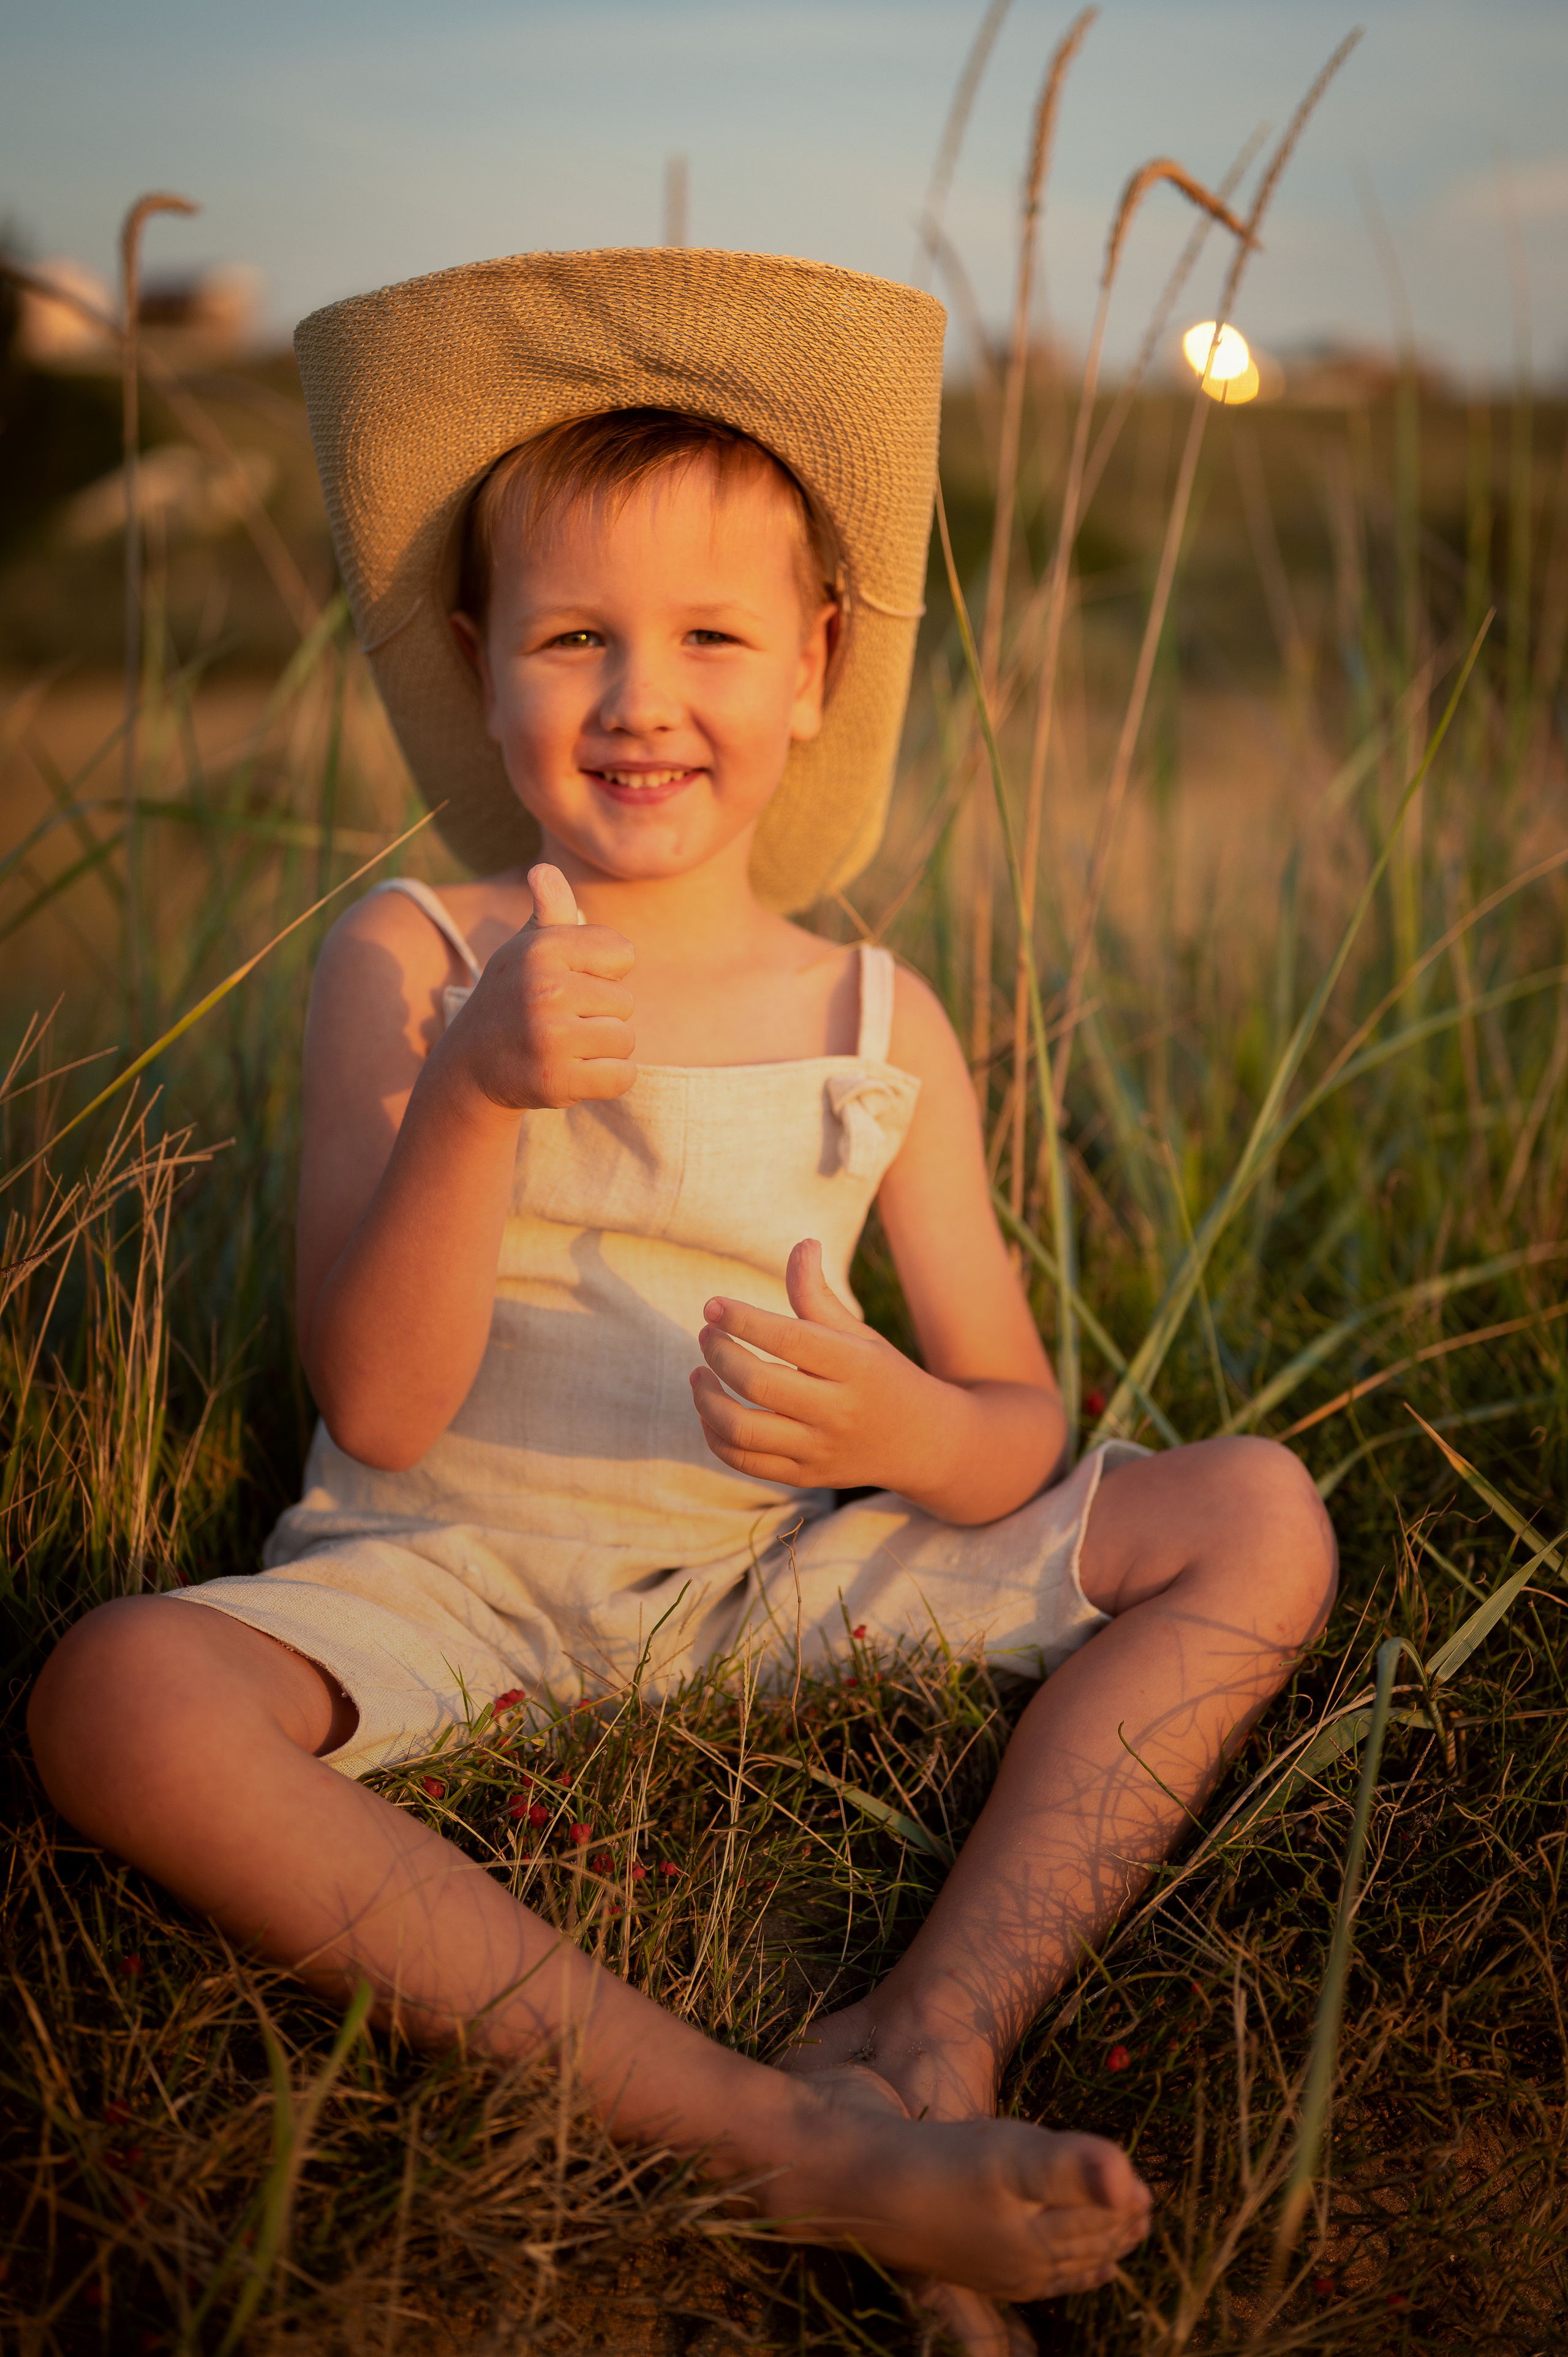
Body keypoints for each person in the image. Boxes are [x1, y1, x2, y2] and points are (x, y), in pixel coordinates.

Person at [28, 249, 1336, 2355]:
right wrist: (476, 1093)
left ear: (816, 667)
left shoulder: (870, 1009)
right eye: (574, 636)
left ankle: (932, 2035)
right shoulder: (415, 958)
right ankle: (768, 2136)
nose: (645, 696)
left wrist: (907, 1436)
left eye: (714, 636)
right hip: (445, 1579)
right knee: (118, 1695)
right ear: (477, 664)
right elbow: (368, 1401)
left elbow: (1016, 1411)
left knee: (1258, 1508)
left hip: (761, 1589)